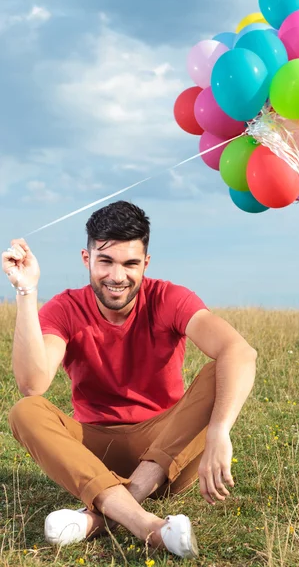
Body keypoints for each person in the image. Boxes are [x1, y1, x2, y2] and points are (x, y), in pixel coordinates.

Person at [2, 200, 257, 560]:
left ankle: (102, 515)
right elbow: (33, 384)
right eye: (105, 261)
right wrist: (26, 292)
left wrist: (219, 431)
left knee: (223, 370)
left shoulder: (169, 298)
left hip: (167, 452)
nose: (117, 276)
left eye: (130, 263)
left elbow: (241, 351)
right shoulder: (66, 307)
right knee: (26, 410)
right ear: (86, 259)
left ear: (145, 264)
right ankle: (146, 526)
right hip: (94, 451)